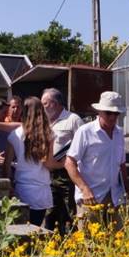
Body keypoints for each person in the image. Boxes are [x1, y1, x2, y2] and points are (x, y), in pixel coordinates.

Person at [65, 91, 129, 229]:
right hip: (91, 197)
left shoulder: (119, 133)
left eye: (116, 113)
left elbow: (121, 164)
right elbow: (69, 163)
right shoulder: (85, 131)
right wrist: (84, 189)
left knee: (117, 244)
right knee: (91, 245)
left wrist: (127, 193)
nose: (112, 117)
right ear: (99, 111)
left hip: (115, 197)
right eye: (108, 113)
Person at [4, 97, 59, 226]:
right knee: (35, 228)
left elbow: (7, 166)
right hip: (40, 190)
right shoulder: (48, 134)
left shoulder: (15, 134)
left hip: (21, 189)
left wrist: (9, 186)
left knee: (19, 230)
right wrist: (63, 163)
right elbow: (48, 164)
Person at [41, 87, 84, 234]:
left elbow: (83, 145)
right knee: (50, 211)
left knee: (70, 210)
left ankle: (73, 244)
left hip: (67, 174)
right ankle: (50, 244)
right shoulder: (44, 122)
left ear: (55, 103)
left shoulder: (73, 119)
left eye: (45, 103)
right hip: (48, 174)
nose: (43, 107)